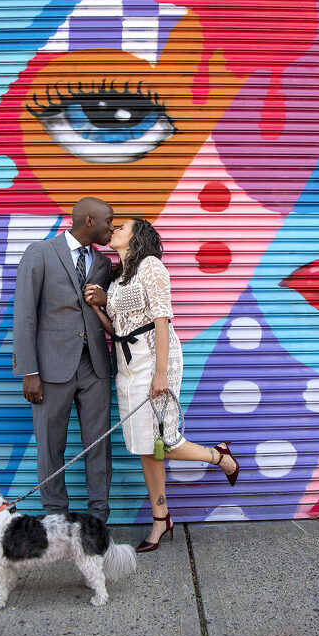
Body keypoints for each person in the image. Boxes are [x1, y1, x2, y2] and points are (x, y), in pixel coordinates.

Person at [85, 217, 240, 551]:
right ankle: (161, 518)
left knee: (165, 442)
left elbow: (161, 319)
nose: (114, 230)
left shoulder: (151, 267)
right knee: (145, 444)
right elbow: (117, 330)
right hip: (127, 364)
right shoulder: (117, 279)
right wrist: (98, 307)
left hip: (157, 359)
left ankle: (219, 456)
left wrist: (160, 374)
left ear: (137, 237)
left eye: (122, 227)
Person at [12, 197, 115, 521]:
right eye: (108, 221)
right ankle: (56, 519)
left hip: (95, 367)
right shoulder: (40, 253)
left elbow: (106, 312)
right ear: (88, 221)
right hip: (51, 368)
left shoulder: (101, 263)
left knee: (98, 446)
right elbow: (24, 314)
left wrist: (105, 298)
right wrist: (29, 370)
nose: (111, 228)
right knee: (50, 447)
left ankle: (98, 519)